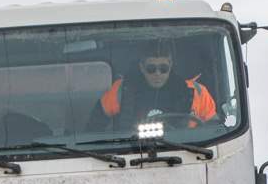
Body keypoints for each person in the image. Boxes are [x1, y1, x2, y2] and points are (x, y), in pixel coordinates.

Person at [87, 46, 217, 132]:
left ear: (170, 66)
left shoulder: (197, 92)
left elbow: (215, 129)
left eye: (163, 68)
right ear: (142, 67)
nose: (158, 73)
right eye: (151, 68)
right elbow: (93, 128)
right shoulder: (121, 90)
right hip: (132, 155)